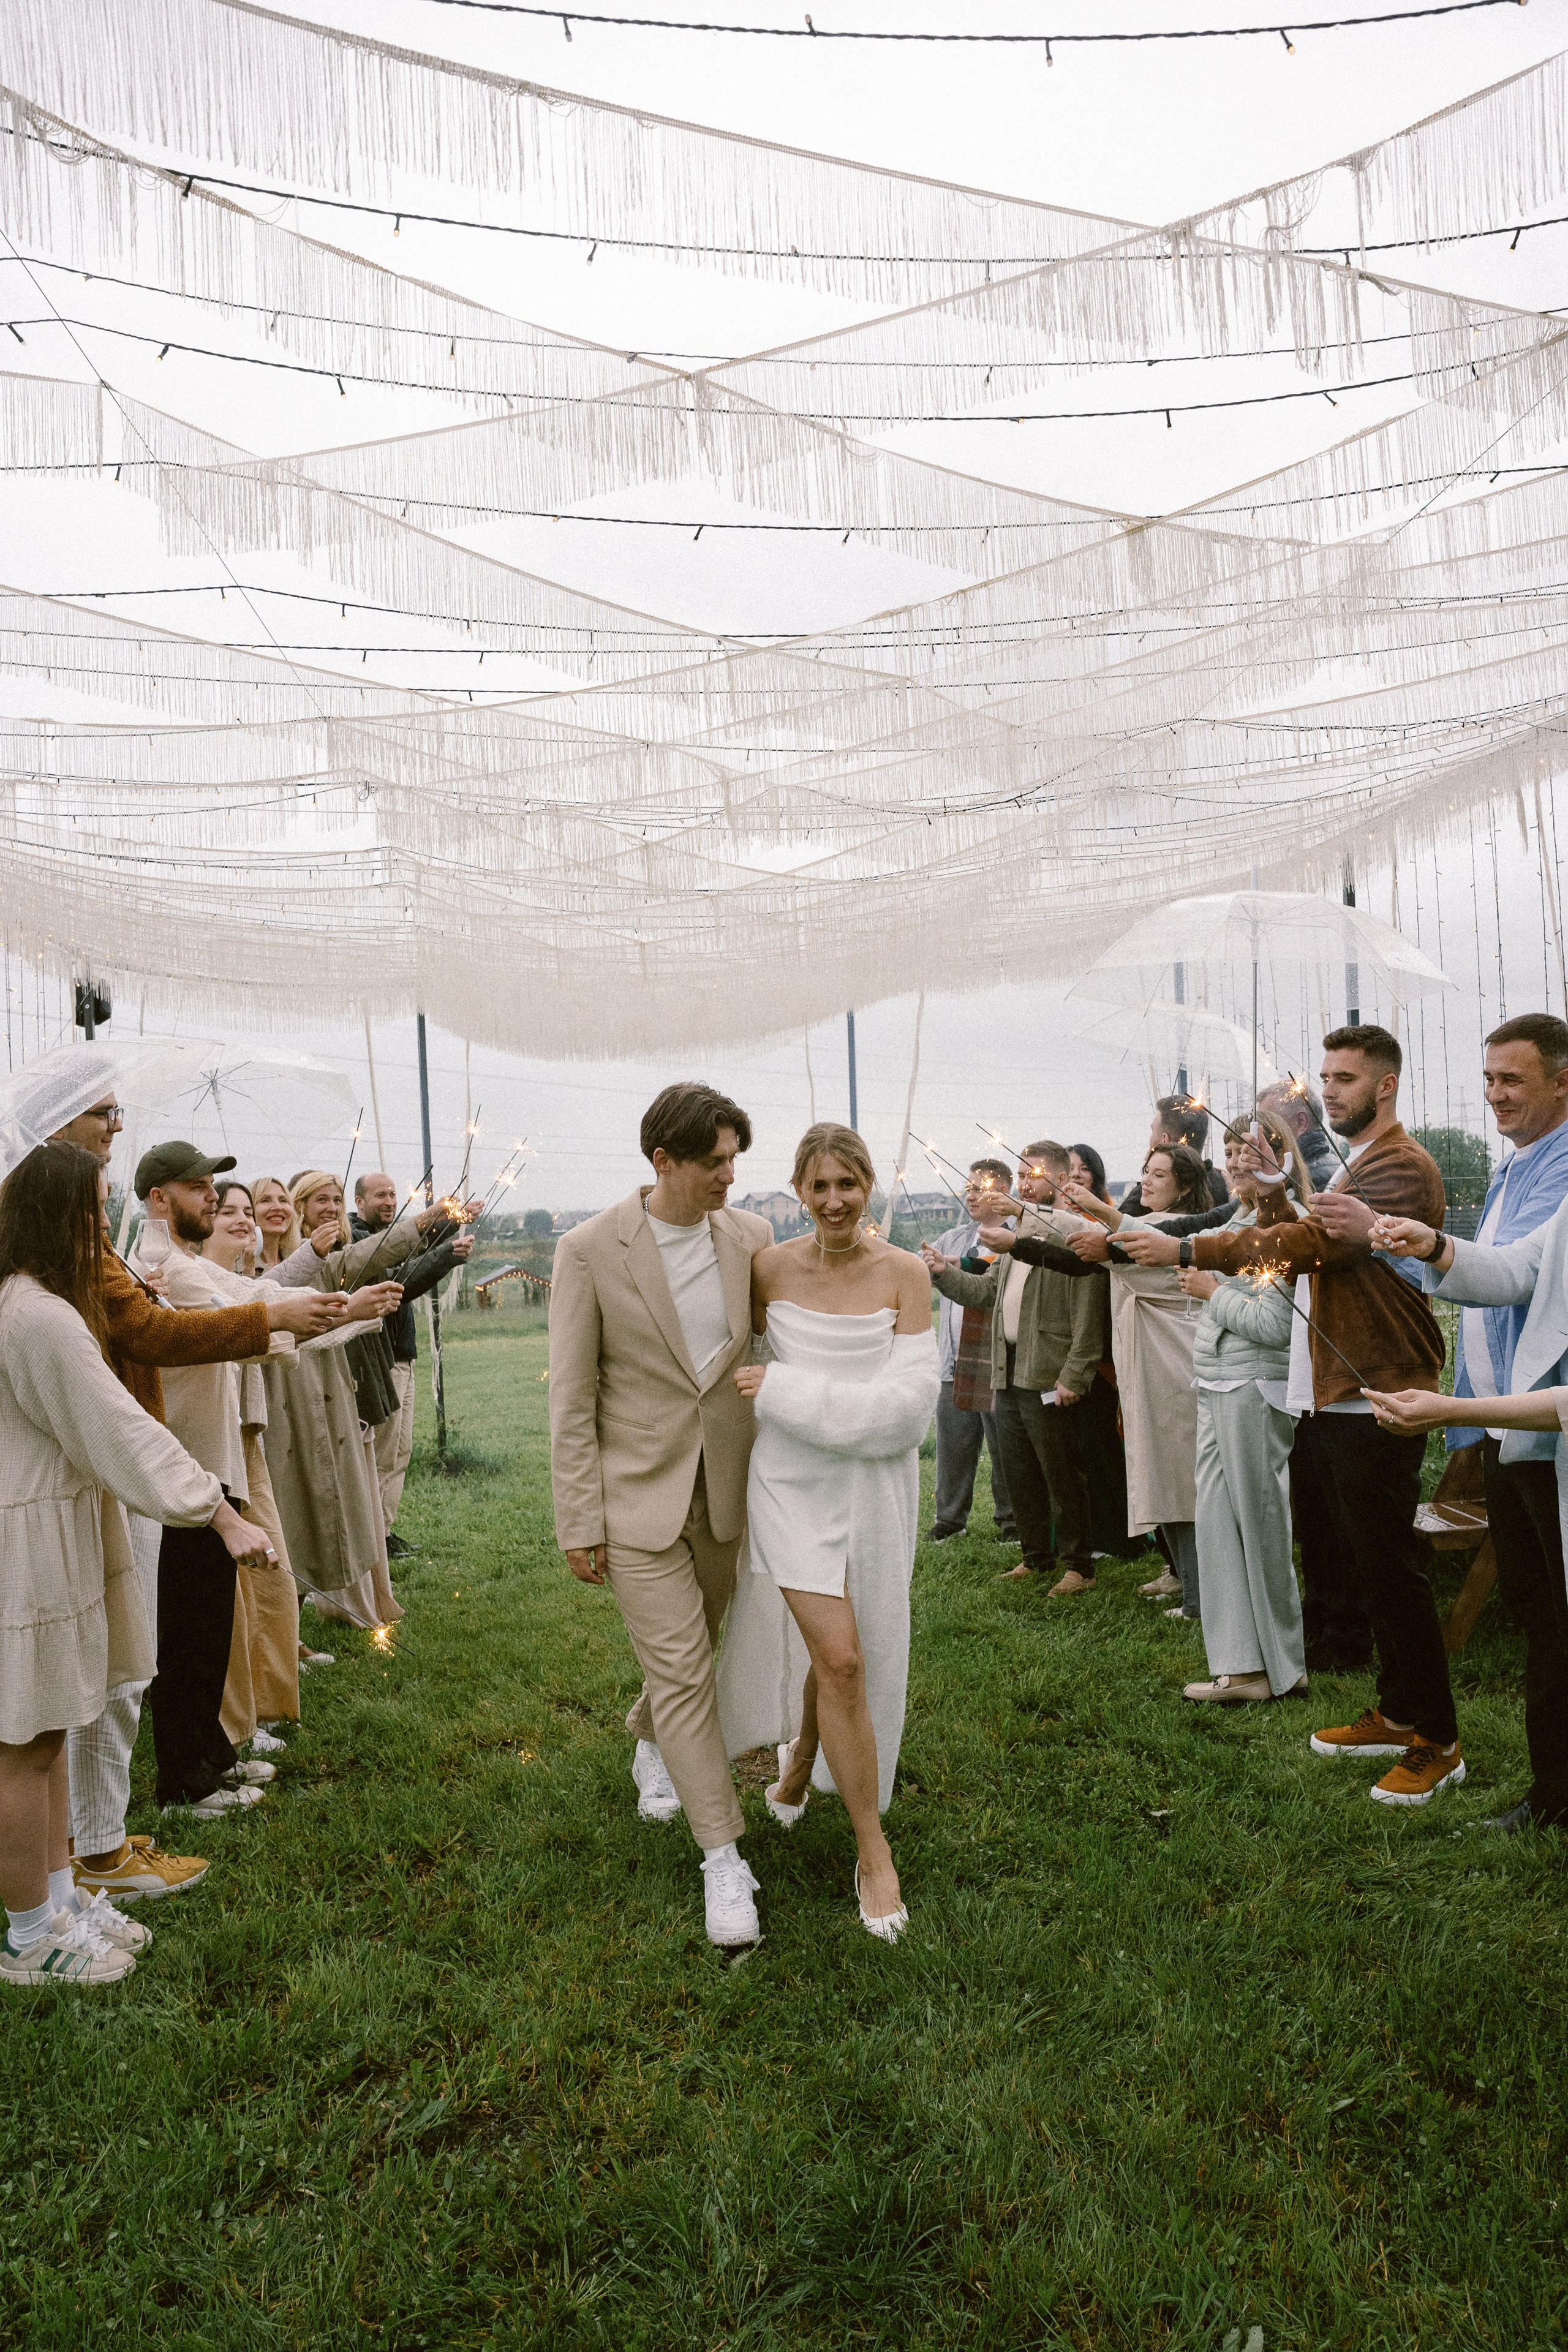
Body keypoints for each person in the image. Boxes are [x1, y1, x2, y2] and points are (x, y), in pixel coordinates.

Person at [1121, 1026, 1459, 1809]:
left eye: (1345, 1079)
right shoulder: (1362, 1163)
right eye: (1326, 1077)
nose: (1331, 1090)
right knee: (1369, 1562)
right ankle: (1398, 1709)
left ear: (1386, 1086)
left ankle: (1436, 1739)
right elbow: (1295, 1245)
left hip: (1382, 1380)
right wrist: (1269, 1201)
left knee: (1392, 1570)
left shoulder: (1400, 1163)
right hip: (1342, 1384)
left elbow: (1310, 1245)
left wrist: (1189, 1254)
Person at [0, 1144, 273, 1986]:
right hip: (32, 1538)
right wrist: (218, 1513)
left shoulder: (30, 1302)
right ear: (59, 1214)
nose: (104, 1221)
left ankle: (59, 1898)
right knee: (24, 1744)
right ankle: (27, 1935)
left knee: (46, 1736)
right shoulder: (38, 1315)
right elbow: (117, 1426)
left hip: (51, 1524)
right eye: (95, 1205)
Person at [58, 1130, 344, 1905]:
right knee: (166, 1647)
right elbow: (171, 1334)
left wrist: (308, 1313)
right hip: (164, 1469)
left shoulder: (128, 1264)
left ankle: (156, 1797)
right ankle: (160, 1795)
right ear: (162, 1199)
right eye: (198, 1187)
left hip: (185, 1464)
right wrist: (287, 1317)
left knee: (190, 1635)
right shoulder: (132, 1269)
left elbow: (235, 1309)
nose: (213, 1198)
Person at [548, 1083, 773, 1951]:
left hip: (727, 1491)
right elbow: (573, 1397)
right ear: (663, 1161)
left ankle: (650, 1740)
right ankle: (723, 1861)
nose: (729, 1177)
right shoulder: (587, 1249)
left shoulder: (750, 1237)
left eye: (734, 1162)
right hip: (632, 1499)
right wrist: (578, 1517)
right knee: (685, 1673)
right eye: (714, 1163)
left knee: (696, 1651)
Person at [717, 1123, 938, 1943]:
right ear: (799, 1193)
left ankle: (805, 1759)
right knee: (841, 1655)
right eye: (820, 1187)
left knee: (853, 1646)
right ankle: (873, 1852)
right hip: (789, 1484)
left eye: (849, 1184)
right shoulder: (768, 1268)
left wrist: (784, 1393)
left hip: (875, 1484)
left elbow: (906, 1414)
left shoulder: (906, 1274)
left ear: (868, 1186)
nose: (835, 1201)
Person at [1366, 1012, 1568, 1835]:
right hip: (1515, 1437)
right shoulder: (1520, 1166)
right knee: (1543, 1622)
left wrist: (1449, 1409)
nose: (1494, 1095)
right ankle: (1553, 1794)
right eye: (1488, 1079)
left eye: (1510, 1080)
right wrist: (1437, 1246)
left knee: (1556, 1623)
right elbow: (1518, 1268)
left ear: (1563, 1081)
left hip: (1540, 1436)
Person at [993, 1140, 1212, 1616]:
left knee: (1183, 1486)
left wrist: (1027, 1217)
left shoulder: (1166, 1233)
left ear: (1186, 1186)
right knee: (1165, 1482)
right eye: (1145, 1172)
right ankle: (1185, 1581)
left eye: (1158, 1175)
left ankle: (1200, 1596)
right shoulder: (1148, 1224)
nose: (1145, 1183)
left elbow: (1094, 1246)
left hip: (1176, 1372)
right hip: (1149, 1374)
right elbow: (1086, 1247)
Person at [264, 1172, 456, 1633]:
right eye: (319, 1200)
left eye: (335, 1199)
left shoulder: (329, 1257)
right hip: (285, 1398)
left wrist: (433, 1223)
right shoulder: (277, 1263)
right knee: (295, 1508)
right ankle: (300, 1620)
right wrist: (356, 1309)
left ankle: (339, 1607)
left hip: (340, 1385)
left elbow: (374, 1255)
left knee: (352, 1491)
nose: (330, 1209)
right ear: (299, 1206)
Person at [923, 1142, 1104, 1597]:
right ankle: (1035, 1556)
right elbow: (984, 1293)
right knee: (1020, 1472)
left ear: (1062, 1180)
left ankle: (1079, 1565)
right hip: (1009, 1371)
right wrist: (943, 1271)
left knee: (1061, 1473)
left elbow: (1089, 1310)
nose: (1025, 1183)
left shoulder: (1074, 1233)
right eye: (1022, 1175)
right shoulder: (1015, 1237)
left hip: (1049, 1372)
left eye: (1034, 1175)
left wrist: (1076, 1373)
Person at [1175, 1114, 1313, 1705]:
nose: (1235, 1160)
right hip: (1215, 1382)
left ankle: (1283, 1667)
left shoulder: (1290, 1227)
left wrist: (1213, 1293)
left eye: (1251, 1150)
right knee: (1215, 1528)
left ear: (1280, 1159)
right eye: (1230, 1150)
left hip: (1257, 1387)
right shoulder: (1237, 1220)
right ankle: (1238, 1667)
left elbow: (1274, 1327)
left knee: (1261, 1527)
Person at [200, 1181, 304, 1753]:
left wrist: (362, 1307)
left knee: (270, 1579)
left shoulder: (239, 1282)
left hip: (247, 1437)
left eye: (247, 1212)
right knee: (235, 1591)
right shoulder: (188, 1275)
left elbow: (287, 1307)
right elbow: (263, 1321)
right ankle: (230, 1723)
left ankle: (259, 1710)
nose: (241, 1221)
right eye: (226, 1211)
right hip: (213, 1446)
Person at [350, 1170, 473, 1551]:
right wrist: (446, 1256)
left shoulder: (387, 1237)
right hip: (380, 1357)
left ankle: (384, 1533)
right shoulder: (360, 1241)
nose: (389, 1201)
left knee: (400, 1452)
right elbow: (402, 1281)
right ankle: (371, 1538)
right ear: (359, 1203)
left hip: (403, 1354)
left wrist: (452, 1223)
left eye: (392, 1194)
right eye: (379, 1196)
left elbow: (415, 1252)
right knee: (381, 1453)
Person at [927, 1159, 1016, 1545]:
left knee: (1006, 1448)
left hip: (998, 1361)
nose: (972, 1194)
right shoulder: (952, 1239)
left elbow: (985, 1274)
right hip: (954, 1359)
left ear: (1006, 1192)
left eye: (982, 1188)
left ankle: (1012, 1521)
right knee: (953, 1446)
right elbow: (923, 1273)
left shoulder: (1019, 1240)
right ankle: (949, 1519)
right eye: (969, 1187)